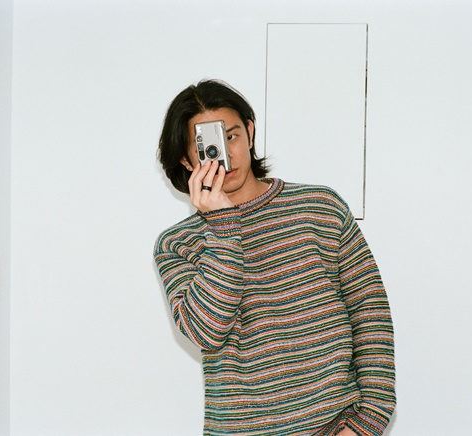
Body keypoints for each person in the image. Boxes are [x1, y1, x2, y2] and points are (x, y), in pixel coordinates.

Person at [154, 79, 395, 435]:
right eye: (208, 146)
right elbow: (206, 332)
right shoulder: (177, 243)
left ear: (250, 132)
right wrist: (222, 226)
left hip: (335, 425)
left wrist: (369, 418)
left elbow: (370, 313)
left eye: (231, 136)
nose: (225, 155)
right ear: (186, 159)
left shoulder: (320, 208)